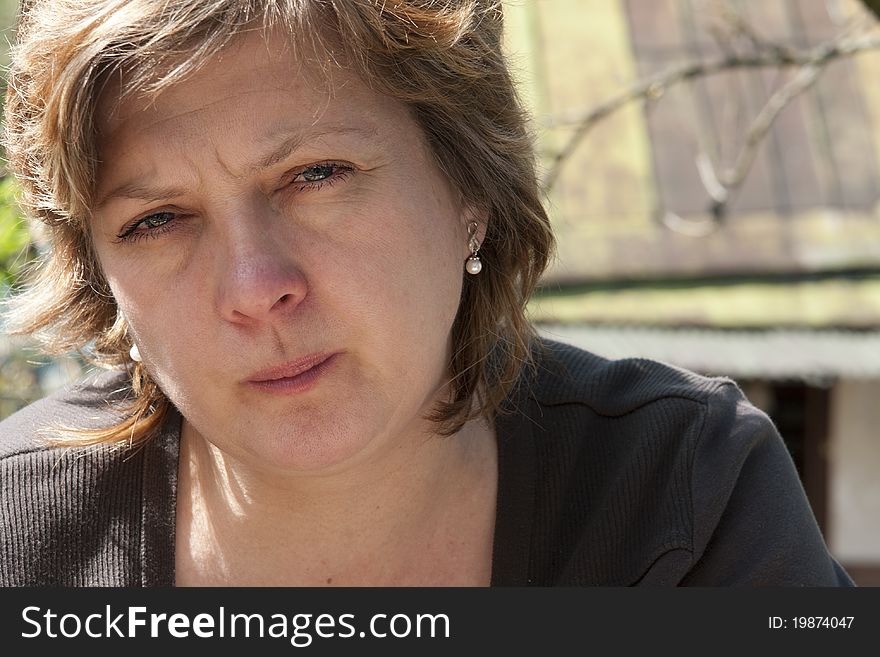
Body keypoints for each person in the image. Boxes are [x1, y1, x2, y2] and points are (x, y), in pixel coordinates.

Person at [0, 0, 852, 587]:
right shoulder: (18, 536)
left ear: (469, 191)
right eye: (157, 220)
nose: (257, 289)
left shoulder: (681, 496)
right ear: (100, 277)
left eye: (316, 175)